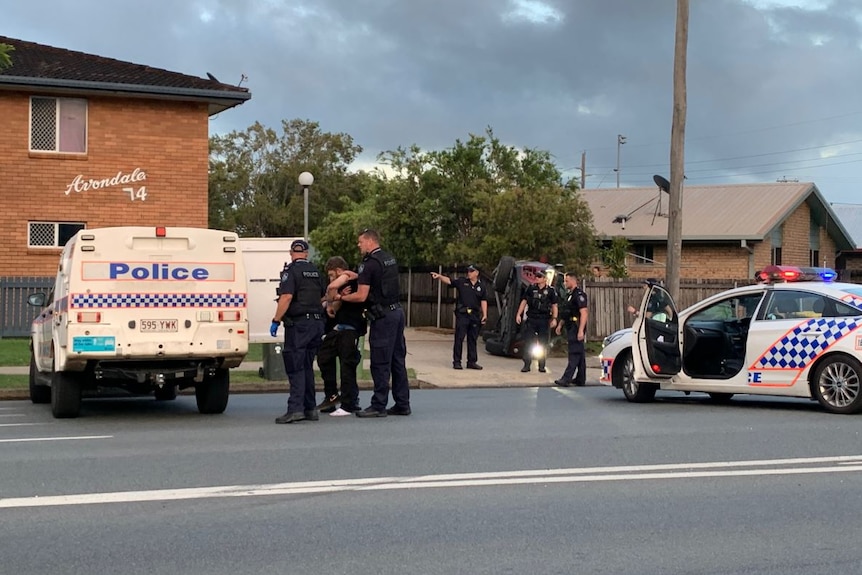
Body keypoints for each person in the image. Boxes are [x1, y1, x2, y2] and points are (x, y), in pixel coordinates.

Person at [340, 228, 411, 417]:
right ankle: (402, 403)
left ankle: (378, 405)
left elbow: (361, 295)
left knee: (380, 361)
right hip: (397, 313)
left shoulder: (369, 264)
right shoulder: (389, 259)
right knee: (397, 360)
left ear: (370, 242)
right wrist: (358, 276)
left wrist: (341, 298)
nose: (359, 245)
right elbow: (380, 279)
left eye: (360, 242)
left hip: (383, 317)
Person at [270, 239, 326, 424]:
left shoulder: (291, 271)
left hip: (299, 326)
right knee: (307, 366)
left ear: (291, 253)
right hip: (316, 324)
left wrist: (276, 320)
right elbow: (324, 296)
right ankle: (310, 408)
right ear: (307, 253)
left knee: (295, 367)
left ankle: (295, 409)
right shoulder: (315, 271)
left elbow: (286, 297)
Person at [317, 256, 367, 416]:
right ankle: (331, 395)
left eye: (332, 274)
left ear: (340, 271)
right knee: (324, 356)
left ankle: (349, 402)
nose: (330, 279)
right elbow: (333, 307)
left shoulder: (352, 282)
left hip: (351, 327)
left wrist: (336, 296)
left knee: (347, 365)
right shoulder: (339, 287)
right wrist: (335, 298)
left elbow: (334, 295)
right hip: (338, 327)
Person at [430, 264, 489, 370]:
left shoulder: (482, 286)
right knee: (459, 338)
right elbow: (449, 281)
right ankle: (457, 362)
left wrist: (484, 314)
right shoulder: (462, 282)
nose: (469, 273)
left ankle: (471, 361)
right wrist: (439, 276)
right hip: (463, 314)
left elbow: (483, 301)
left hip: (475, 315)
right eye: (468, 271)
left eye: (471, 271)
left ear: (477, 273)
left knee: (472, 339)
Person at [515, 270, 559, 373]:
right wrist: (518, 314)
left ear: (545, 279)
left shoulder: (551, 291)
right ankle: (527, 364)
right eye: (537, 276)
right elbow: (524, 301)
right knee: (528, 342)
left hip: (544, 319)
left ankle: (542, 365)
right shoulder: (531, 288)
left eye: (539, 276)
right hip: (532, 319)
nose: (537, 278)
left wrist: (554, 319)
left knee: (543, 343)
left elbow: (554, 306)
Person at [554, 273, 589, 387]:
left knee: (574, 352)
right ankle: (580, 378)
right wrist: (560, 325)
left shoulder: (579, 295)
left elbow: (584, 313)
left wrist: (580, 330)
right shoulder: (570, 295)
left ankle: (566, 378)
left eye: (567, 281)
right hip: (570, 324)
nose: (565, 283)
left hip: (576, 326)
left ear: (573, 281)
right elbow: (567, 312)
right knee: (580, 353)